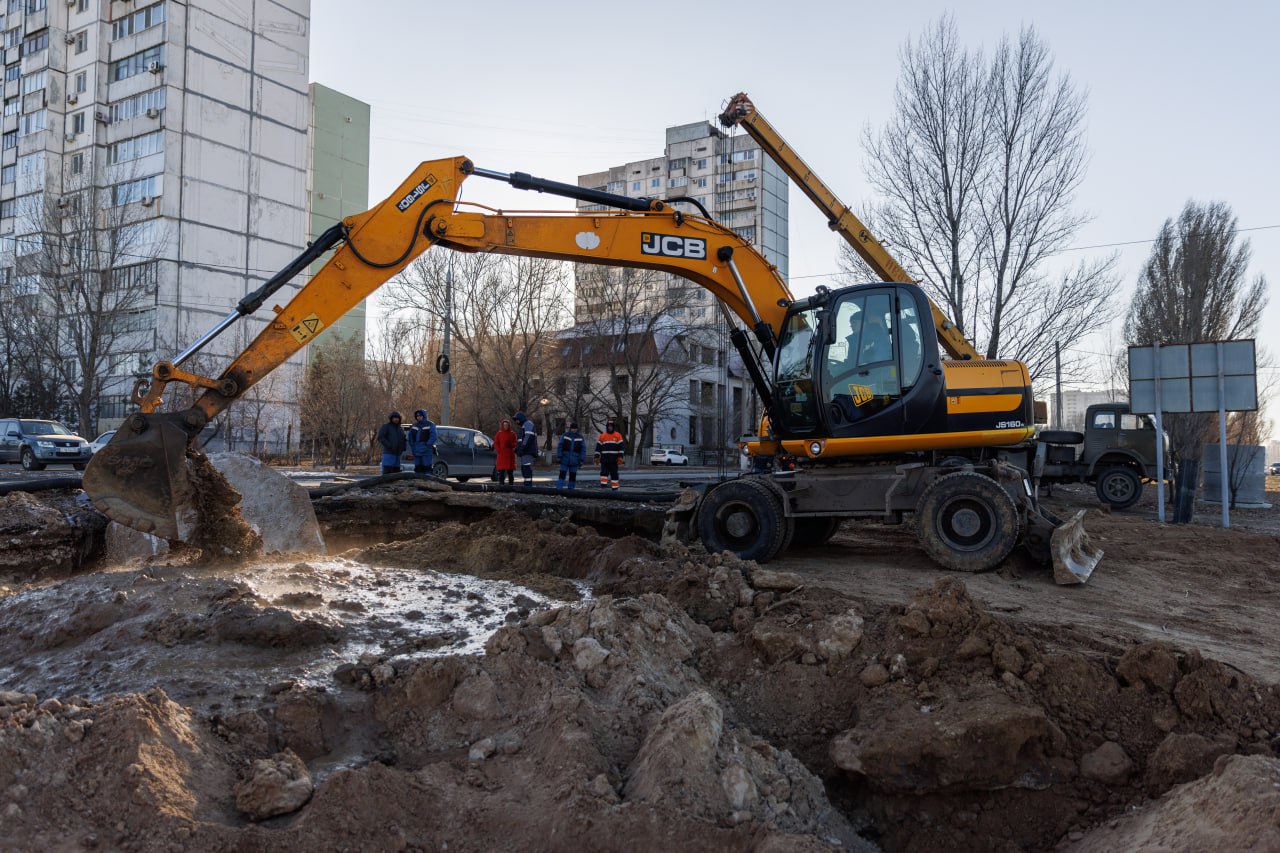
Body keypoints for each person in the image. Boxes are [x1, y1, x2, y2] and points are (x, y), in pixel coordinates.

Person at [594, 419, 625, 490]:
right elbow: (598, 448)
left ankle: (615, 489)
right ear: (607, 427)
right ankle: (603, 488)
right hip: (604, 460)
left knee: (614, 474)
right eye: (608, 426)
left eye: (611, 426)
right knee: (603, 474)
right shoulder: (602, 436)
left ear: (613, 427)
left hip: (614, 460)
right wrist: (596, 457)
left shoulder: (618, 435)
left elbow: (621, 448)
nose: (609, 427)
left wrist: (620, 457)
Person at [556, 422, 586, 489]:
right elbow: (560, 446)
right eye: (572, 428)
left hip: (575, 460)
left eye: (575, 428)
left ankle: (571, 491)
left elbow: (583, 449)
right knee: (562, 475)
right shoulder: (565, 435)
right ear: (570, 428)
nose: (573, 430)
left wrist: (581, 459)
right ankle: (559, 489)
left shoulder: (580, 437)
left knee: (572, 476)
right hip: (564, 459)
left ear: (577, 429)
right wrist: (559, 456)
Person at [375, 411, 406, 476]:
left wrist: (403, 448)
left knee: (396, 473)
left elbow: (403, 439)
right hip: (388, 453)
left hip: (397, 454)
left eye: (397, 418)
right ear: (391, 418)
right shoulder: (386, 426)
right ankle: (385, 486)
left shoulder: (400, 428)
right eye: (394, 418)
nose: (396, 419)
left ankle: (395, 486)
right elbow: (380, 437)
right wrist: (389, 446)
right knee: (387, 473)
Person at [407, 409, 437, 473]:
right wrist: (413, 447)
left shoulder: (430, 424)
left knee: (427, 468)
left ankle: (427, 482)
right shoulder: (414, 425)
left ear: (424, 416)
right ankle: (418, 482)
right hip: (416, 451)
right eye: (417, 416)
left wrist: (427, 445)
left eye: (420, 416)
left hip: (426, 451)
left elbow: (433, 436)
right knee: (418, 468)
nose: (419, 417)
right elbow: (410, 437)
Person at [514, 410, 539, 486]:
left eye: (517, 419)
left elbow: (527, 438)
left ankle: (528, 486)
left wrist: (521, 447)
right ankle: (527, 485)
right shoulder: (524, 426)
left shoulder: (527, 424)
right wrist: (518, 448)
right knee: (525, 468)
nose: (516, 421)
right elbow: (522, 439)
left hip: (527, 451)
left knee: (526, 468)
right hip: (525, 451)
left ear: (520, 418)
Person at [494, 418, 518, 485]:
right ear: (502, 426)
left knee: (510, 472)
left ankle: (511, 485)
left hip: (510, 455)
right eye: (504, 425)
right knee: (501, 472)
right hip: (501, 455)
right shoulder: (499, 434)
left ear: (509, 426)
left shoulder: (512, 434)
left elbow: (515, 443)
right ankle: (501, 485)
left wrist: (511, 445)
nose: (505, 426)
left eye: (507, 425)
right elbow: (496, 443)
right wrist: (498, 450)